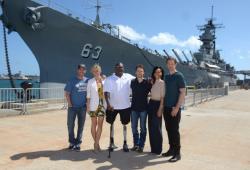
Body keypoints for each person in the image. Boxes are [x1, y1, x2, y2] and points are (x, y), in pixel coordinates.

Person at [104, 62, 134, 152]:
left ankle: (125, 143)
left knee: (125, 124)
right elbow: (106, 93)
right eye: (117, 67)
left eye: (121, 67)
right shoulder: (109, 79)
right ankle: (111, 142)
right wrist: (108, 104)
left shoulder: (128, 77)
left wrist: (148, 80)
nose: (119, 69)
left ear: (123, 68)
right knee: (111, 123)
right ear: (115, 69)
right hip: (112, 107)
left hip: (125, 106)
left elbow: (138, 79)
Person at [162, 57, 186, 162]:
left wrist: (177, 107)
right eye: (169, 63)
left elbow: (182, 92)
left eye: (172, 63)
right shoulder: (166, 76)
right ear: (167, 65)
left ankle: (177, 153)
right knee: (168, 129)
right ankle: (171, 149)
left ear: (175, 64)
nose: (170, 65)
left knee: (174, 130)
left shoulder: (179, 76)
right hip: (166, 108)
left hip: (174, 108)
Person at [64, 64, 88, 151]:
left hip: (82, 107)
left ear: (85, 71)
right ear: (78, 70)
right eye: (80, 69)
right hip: (72, 107)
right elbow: (67, 93)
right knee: (70, 125)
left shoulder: (87, 80)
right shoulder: (72, 80)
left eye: (84, 70)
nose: (82, 71)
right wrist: (70, 104)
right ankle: (71, 142)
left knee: (81, 126)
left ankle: (78, 143)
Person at [130, 64, 152, 153]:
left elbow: (154, 92)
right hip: (134, 109)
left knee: (143, 128)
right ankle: (136, 144)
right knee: (133, 127)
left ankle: (141, 145)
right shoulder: (132, 82)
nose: (140, 72)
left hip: (143, 109)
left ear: (144, 72)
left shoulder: (147, 83)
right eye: (138, 71)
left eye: (141, 71)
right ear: (135, 72)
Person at [86, 64, 106, 153]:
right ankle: (96, 144)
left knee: (100, 125)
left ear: (100, 71)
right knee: (94, 124)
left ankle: (96, 143)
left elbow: (106, 94)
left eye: (97, 71)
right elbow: (88, 95)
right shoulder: (90, 82)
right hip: (93, 105)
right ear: (92, 72)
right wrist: (88, 106)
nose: (96, 72)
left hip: (102, 105)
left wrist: (102, 82)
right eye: (94, 71)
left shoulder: (104, 81)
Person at [148, 66, 165, 155]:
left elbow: (162, 98)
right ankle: (153, 148)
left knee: (157, 128)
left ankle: (158, 149)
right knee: (151, 127)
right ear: (153, 73)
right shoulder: (152, 82)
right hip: (151, 104)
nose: (157, 74)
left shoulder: (162, 83)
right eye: (156, 72)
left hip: (158, 104)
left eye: (159, 72)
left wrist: (160, 109)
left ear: (161, 73)